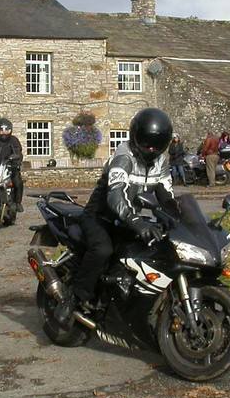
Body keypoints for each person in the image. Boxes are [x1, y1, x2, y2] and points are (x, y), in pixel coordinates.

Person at [55, 107, 177, 326]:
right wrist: (137, 222)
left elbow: (166, 194)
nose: (150, 150)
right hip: (99, 217)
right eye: (145, 144)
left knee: (149, 252)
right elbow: (116, 196)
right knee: (103, 250)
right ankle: (73, 299)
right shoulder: (124, 157)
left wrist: (177, 217)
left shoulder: (161, 161)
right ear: (135, 137)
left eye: (155, 146)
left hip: (126, 220)